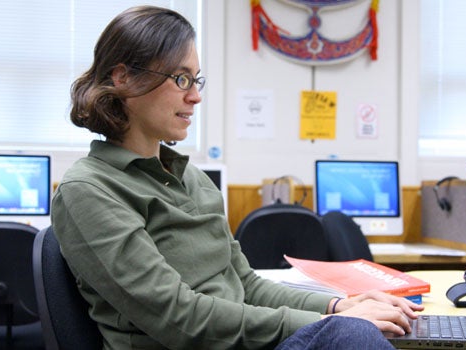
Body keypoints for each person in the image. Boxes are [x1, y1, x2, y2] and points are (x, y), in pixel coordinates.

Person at [52, 5, 424, 349]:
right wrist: (328, 320)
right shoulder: (88, 190)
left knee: (373, 327)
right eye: (181, 79)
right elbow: (177, 318)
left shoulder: (191, 179)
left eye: (197, 80)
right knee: (351, 336)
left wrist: (340, 303)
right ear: (123, 79)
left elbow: (245, 285)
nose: (196, 96)